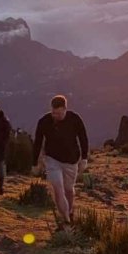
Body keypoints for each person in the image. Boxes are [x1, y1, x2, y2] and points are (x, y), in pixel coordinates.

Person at [32, 95, 90, 227]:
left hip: (71, 161)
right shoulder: (44, 121)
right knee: (58, 188)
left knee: (69, 189)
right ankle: (65, 220)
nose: (55, 115)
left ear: (65, 109)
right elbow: (38, 142)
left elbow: (83, 138)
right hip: (52, 159)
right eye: (53, 112)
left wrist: (84, 158)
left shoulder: (75, 119)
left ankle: (69, 212)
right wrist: (34, 162)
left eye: (58, 113)